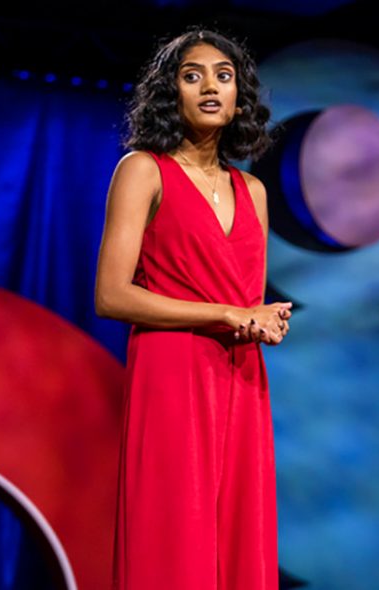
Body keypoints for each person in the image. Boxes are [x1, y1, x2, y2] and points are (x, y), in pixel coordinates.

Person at [95, 28, 290, 590]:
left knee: (238, 542)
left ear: (238, 97)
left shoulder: (252, 190)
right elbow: (111, 294)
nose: (210, 86)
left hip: (242, 381)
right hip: (172, 374)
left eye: (223, 76)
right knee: (172, 539)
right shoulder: (143, 170)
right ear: (170, 94)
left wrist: (261, 319)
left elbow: (247, 300)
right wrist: (225, 315)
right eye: (192, 75)